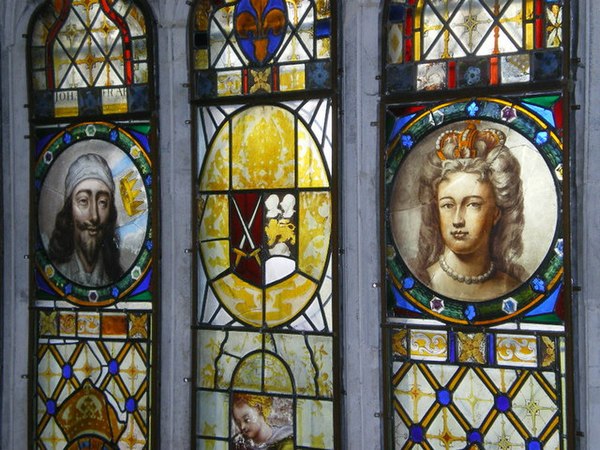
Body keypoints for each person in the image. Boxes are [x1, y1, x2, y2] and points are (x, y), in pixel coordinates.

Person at [414, 122, 526, 301]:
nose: (458, 220)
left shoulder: (514, 289)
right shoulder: (420, 283)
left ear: (496, 214)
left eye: (473, 204)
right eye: (448, 205)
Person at [48, 153, 123, 286]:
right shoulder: (54, 276)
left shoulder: (119, 281)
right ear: (69, 210)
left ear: (111, 212)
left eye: (102, 202)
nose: (94, 216)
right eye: (83, 200)